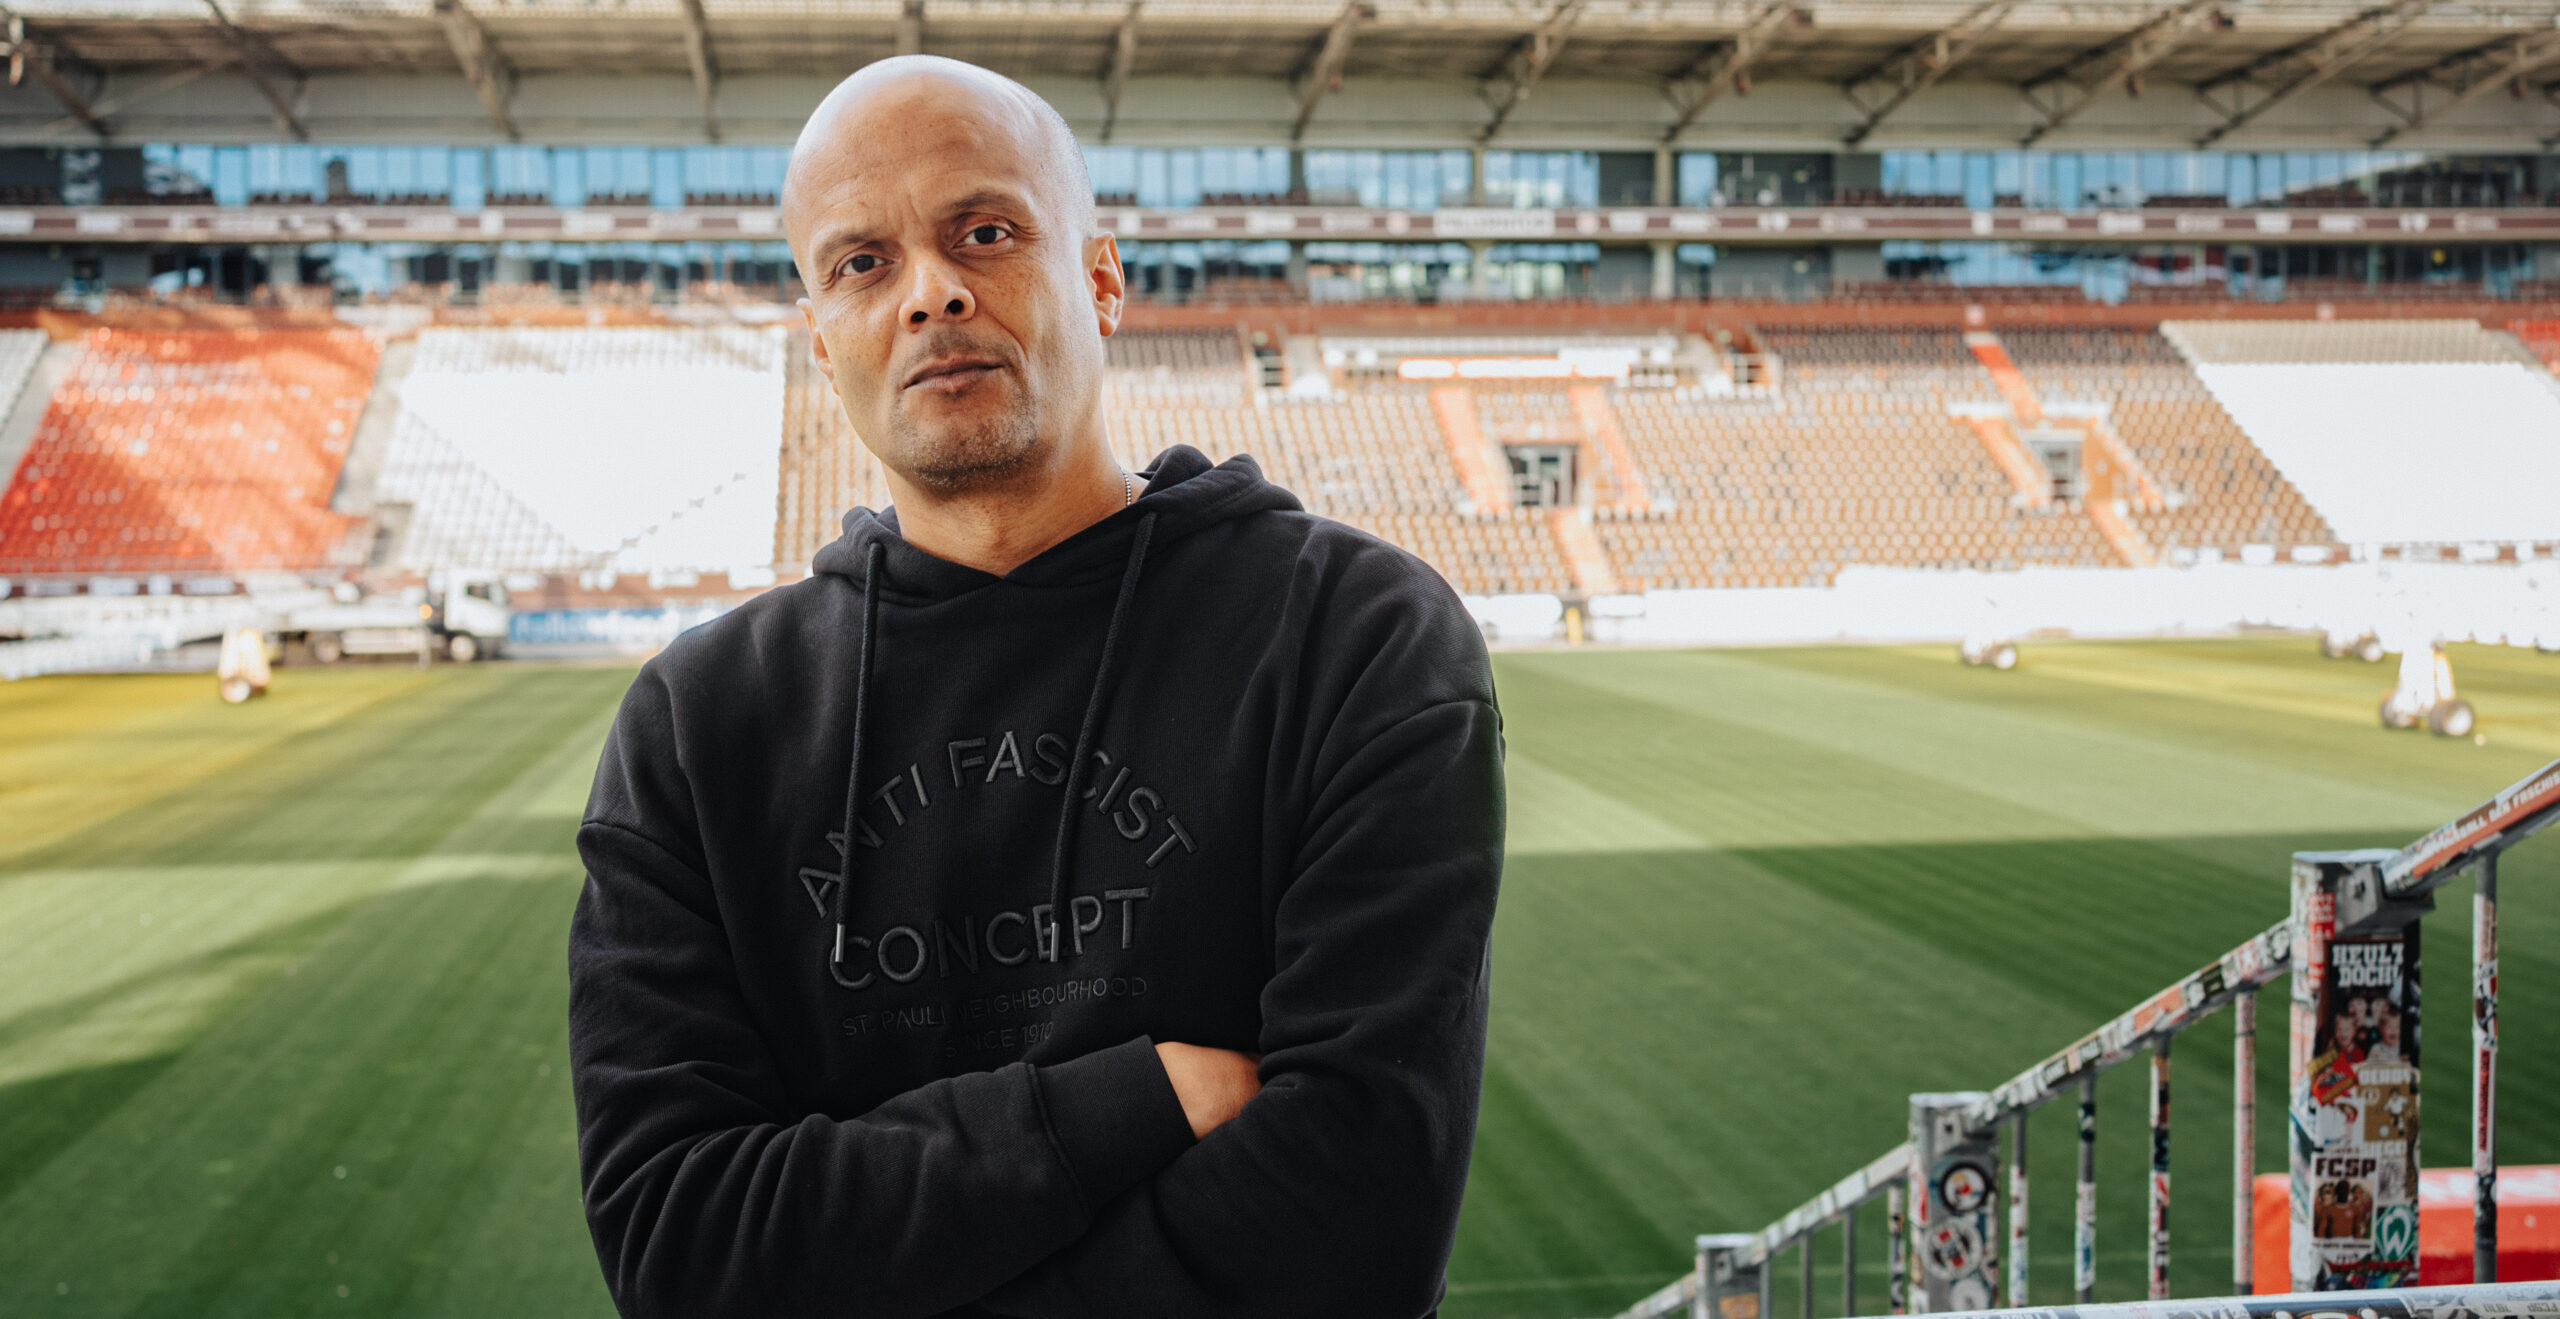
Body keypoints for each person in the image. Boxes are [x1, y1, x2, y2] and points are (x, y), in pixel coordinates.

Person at [566, 54, 1505, 1319]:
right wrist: (1124, 1106)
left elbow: (1354, 1226)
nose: (930, 293)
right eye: (862, 263)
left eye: (986, 232)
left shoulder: (1352, 636)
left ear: (1101, 278)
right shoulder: (699, 723)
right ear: (820, 335)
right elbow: (682, 1251)